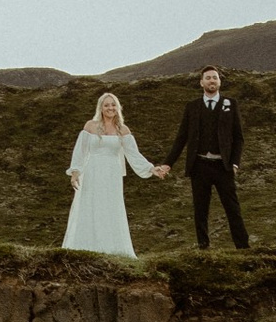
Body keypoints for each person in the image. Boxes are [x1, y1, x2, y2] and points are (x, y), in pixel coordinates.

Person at [157, 65, 248, 249]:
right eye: (208, 78)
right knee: (200, 209)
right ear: (201, 82)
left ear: (220, 82)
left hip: (223, 166)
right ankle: (203, 246)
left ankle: (243, 247)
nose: (211, 81)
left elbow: (238, 138)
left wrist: (235, 164)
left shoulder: (231, 104)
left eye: (215, 77)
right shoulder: (192, 107)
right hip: (200, 165)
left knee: (232, 208)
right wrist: (168, 164)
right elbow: (181, 138)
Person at [62, 91, 161, 258]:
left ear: (118, 108)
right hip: (92, 172)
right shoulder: (90, 126)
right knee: (91, 206)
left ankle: (112, 249)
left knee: (110, 208)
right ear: (100, 108)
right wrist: (75, 172)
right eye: (106, 105)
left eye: (113, 104)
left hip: (112, 174)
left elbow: (134, 154)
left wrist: (151, 169)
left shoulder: (123, 130)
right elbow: (80, 150)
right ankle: (86, 248)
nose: (110, 108)